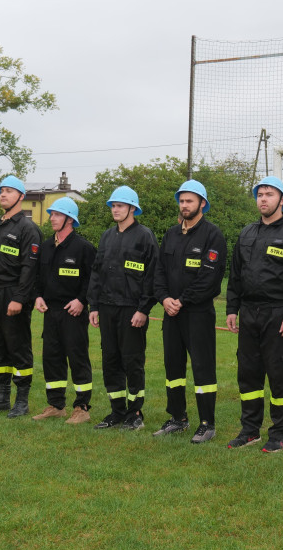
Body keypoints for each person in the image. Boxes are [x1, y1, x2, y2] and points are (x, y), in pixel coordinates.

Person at [225, 176, 283, 453]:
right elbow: (235, 275)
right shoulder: (247, 233)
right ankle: (250, 430)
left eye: (269, 194)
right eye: (260, 194)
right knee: (248, 374)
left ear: (282, 200)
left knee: (278, 373)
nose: (263, 199)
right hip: (249, 313)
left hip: (278, 314)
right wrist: (231, 309)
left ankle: (278, 433)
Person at [153, 180, 227, 441]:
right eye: (181, 201)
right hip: (170, 313)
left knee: (202, 368)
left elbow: (209, 279)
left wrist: (181, 301)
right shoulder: (171, 234)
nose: (184, 205)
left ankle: (207, 423)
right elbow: (159, 272)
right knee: (173, 367)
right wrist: (164, 299)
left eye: (190, 201)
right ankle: (177, 417)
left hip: (197, 314)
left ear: (202, 204)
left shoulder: (212, 235)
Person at [86, 186, 158, 430]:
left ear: (132, 208)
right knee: (110, 360)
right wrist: (93, 306)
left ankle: (135, 413)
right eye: (113, 205)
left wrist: (143, 309)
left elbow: (152, 276)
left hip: (132, 310)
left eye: (120, 205)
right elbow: (96, 273)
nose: (115, 209)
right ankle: (116, 412)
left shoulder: (145, 236)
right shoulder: (107, 236)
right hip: (107, 308)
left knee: (132, 361)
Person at [0, 175, 43, 418]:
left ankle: (21, 401)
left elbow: (29, 268)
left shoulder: (28, 229)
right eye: (2, 191)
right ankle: (1, 397)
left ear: (21, 197)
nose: (3, 194)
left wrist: (19, 299)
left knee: (18, 346)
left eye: (10, 191)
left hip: (13, 295)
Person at [33, 197, 97, 425]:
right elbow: (38, 277)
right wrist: (38, 296)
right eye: (51, 214)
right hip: (51, 311)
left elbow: (92, 279)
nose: (52, 218)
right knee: (52, 358)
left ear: (70, 219)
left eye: (57, 215)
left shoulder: (84, 248)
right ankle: (56, 405)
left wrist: (82, 300)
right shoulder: (46, 247)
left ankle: (82, 407)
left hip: (74, 313)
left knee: (77, 357)